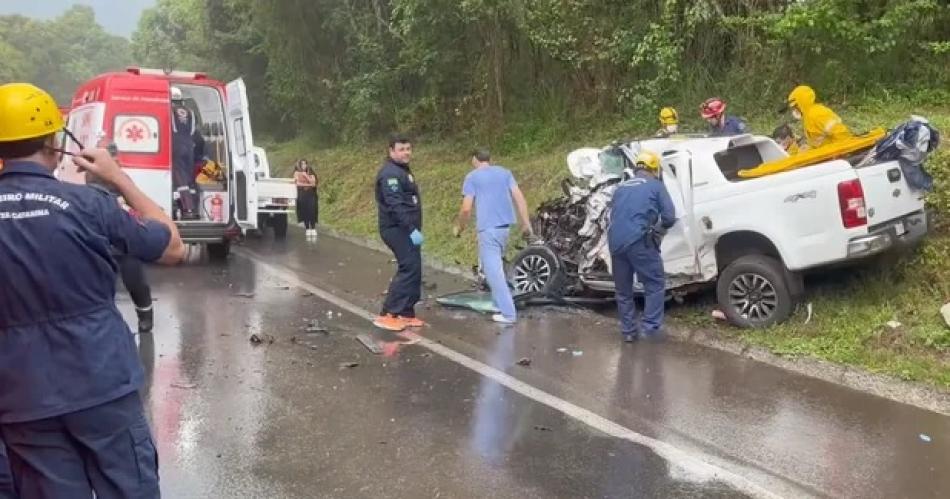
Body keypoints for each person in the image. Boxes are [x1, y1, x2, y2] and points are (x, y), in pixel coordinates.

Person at [0, 82, 185, 498]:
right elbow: (172, 245)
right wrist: (116, 177)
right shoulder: (89, 205)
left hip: (21, 400)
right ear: (54, 143)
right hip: (102, 385)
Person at [453, 148, 534, 324]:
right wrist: (526, 225)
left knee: (493, 272)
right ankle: (499, 304)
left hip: (488, 229)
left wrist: (460, 227)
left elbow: (466, 208)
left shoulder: (472, 177)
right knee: (495, 267)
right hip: (505, 228)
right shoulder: (505, 173)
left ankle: (508, 313)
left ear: (474, 160)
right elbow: (520, 199)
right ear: (490, 159)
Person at [607, 150, 676, 343]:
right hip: (639, 241)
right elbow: (670, 216)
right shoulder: (656, 186)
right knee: (654, 284)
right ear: (654, 169)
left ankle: (628, 331)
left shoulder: (620, 189)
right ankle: (650, 329)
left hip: (615, 243)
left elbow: (612, 216)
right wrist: (657, 232)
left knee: (623, 291)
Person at [373, 134, 425, 332]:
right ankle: (389, 313)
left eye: (408, 149)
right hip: (396, 228)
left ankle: (406, 312)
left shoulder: (402, 170)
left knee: (415, 268)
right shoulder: (390, 174)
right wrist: (411, 229)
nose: (406, 153)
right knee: (408, 267)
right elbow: (395, 204)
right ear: (391, 151)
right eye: (402, 149)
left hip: (408, 228)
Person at [170, 86, 204, 220]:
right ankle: (194, 208)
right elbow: (195, 134)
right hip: (190, 146)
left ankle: (187, 209)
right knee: (189, 178)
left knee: (180, 179)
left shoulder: (169, 111)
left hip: (176, 145)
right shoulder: (191, 112)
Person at [785, 85, 852, 150]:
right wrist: (809, 149)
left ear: (801, 103)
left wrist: (843, 152)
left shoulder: (818, 114)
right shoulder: (808, 117)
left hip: (836, 153)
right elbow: (817, 141)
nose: (794, 110)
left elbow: (841, 134)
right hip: (825, 153)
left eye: (795, 106)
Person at [293, 159, 319, 238]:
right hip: (302, 194)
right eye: (302, 164)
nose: (304, 166)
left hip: (311, 194)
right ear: (300, 165)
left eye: (305, 164)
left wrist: (305, 176)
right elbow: (297, 183)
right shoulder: (297, 173)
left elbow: (313, 183)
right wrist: (308, 183)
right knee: (304, 210)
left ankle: (313, 228)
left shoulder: (311, 172)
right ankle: (307, 228)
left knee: (312, 210)